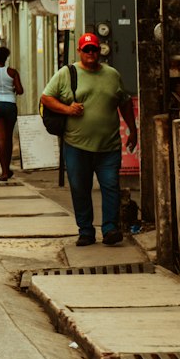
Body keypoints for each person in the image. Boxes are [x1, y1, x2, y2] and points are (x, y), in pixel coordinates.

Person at [40, 32, 138, 247]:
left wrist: (133, 128)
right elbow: (46, 98)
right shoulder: (67, 73)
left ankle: (110, 228)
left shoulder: (112, 74)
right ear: (80, 52)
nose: (91, 53)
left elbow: (124, 102)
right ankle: (85, 230)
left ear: (99, 50)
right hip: (76, 146)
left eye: (94, 49)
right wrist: (67, 109)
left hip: (109, 146)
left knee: (111, 186)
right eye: (87, 50)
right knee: (79, 188)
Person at [0, 45, 24, 183]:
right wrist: (11, 88)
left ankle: (4, 172)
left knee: (0, 138)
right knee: (8, 138)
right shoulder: (12, 72)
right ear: (7, 58)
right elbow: (20, 90)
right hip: (10, 105)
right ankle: (7, 168)